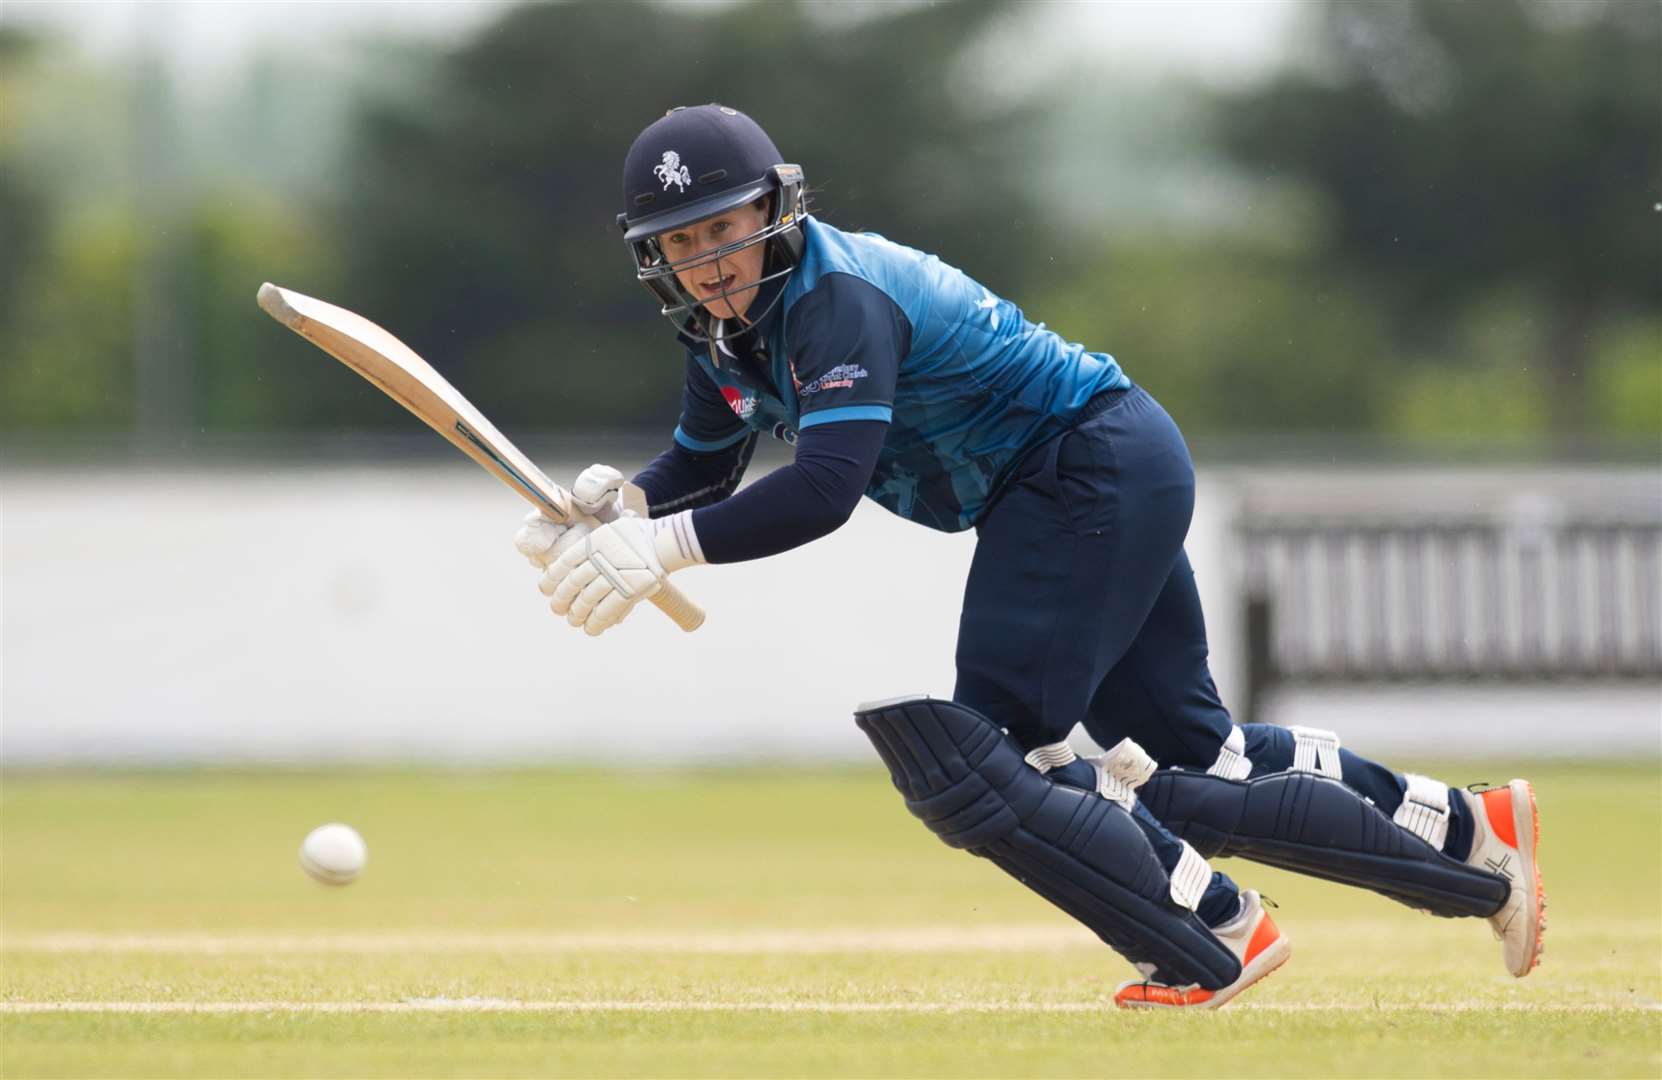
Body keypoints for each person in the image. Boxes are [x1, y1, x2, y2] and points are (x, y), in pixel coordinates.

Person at [516, 104, 1545, 1008]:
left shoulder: (837, 302)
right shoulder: (720, 332)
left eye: (725, 230)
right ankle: (1467, 828)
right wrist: (625, 504)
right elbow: (708, 456)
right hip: (1101, 466)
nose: (709, 262)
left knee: (993, 757)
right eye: (682, 242)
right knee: (1188, 761)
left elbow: (826, 490)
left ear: (775, 210)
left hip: (1079, 469)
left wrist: (662, 549)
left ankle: (1217, 933)